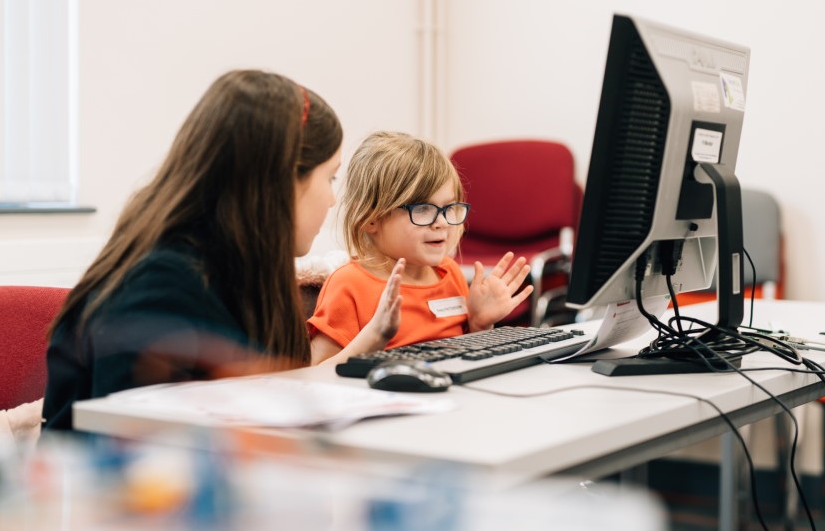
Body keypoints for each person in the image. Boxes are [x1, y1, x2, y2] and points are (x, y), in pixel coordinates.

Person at [42, 69, 379, 430]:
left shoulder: (238, 270)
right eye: (329, 178)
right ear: (281, 180)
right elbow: (141, 455)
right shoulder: (159, 287)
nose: (331, 200)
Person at [308, 131, 534, 365]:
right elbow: (315, 372)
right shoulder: (349, 284)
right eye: (423, 209)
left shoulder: (449, 273)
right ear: (370, 218)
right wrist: (373, 338)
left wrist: (480, 324)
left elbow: (465, 360)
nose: (443, 222)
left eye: (448, 208)